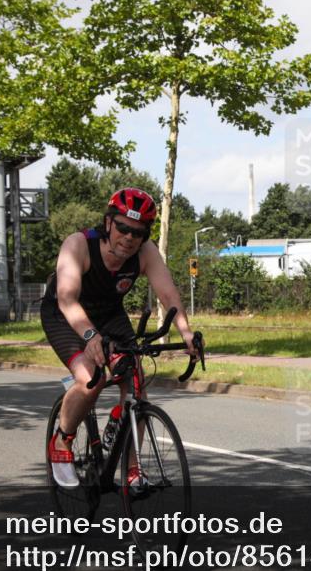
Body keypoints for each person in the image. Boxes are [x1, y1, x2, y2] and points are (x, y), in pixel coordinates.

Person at [40, 188, 197, 490]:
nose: (129, 237)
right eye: (123, 227)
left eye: (137, 232)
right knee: (91, 378)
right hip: (66, 314)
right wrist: (90, 337)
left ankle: (132, 469)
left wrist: (185, 332)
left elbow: (168, 294)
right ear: (109, 222)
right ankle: (62, 441)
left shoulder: (145, 251)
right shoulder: (79, 245)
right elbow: (68, 299)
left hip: (110, 314)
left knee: (135, 385)